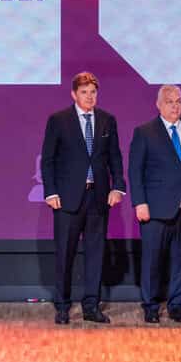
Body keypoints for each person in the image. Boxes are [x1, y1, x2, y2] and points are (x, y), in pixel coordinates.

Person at [39, 71, 126, 324]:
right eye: (84, 92)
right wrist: (51, 192)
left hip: (98, 197)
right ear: (74, 94)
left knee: (95, 254)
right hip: (67, 199)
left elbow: (115, 157)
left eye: (93, 92)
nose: (89, 97)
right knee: (65, 254)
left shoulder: (107, 120)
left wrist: (118, 187)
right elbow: (48, 160)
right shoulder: (59, 120)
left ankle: (91, 306)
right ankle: (62, 306)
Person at [128, 84, 181, 323]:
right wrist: (139, 203)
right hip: (155, 209)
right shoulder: (144, 132)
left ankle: (176, 305)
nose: (175, 106)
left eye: (178, 101)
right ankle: (151, 306)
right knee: (152, 261)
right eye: (169, 101)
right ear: (158, 104)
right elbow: (135, 171)